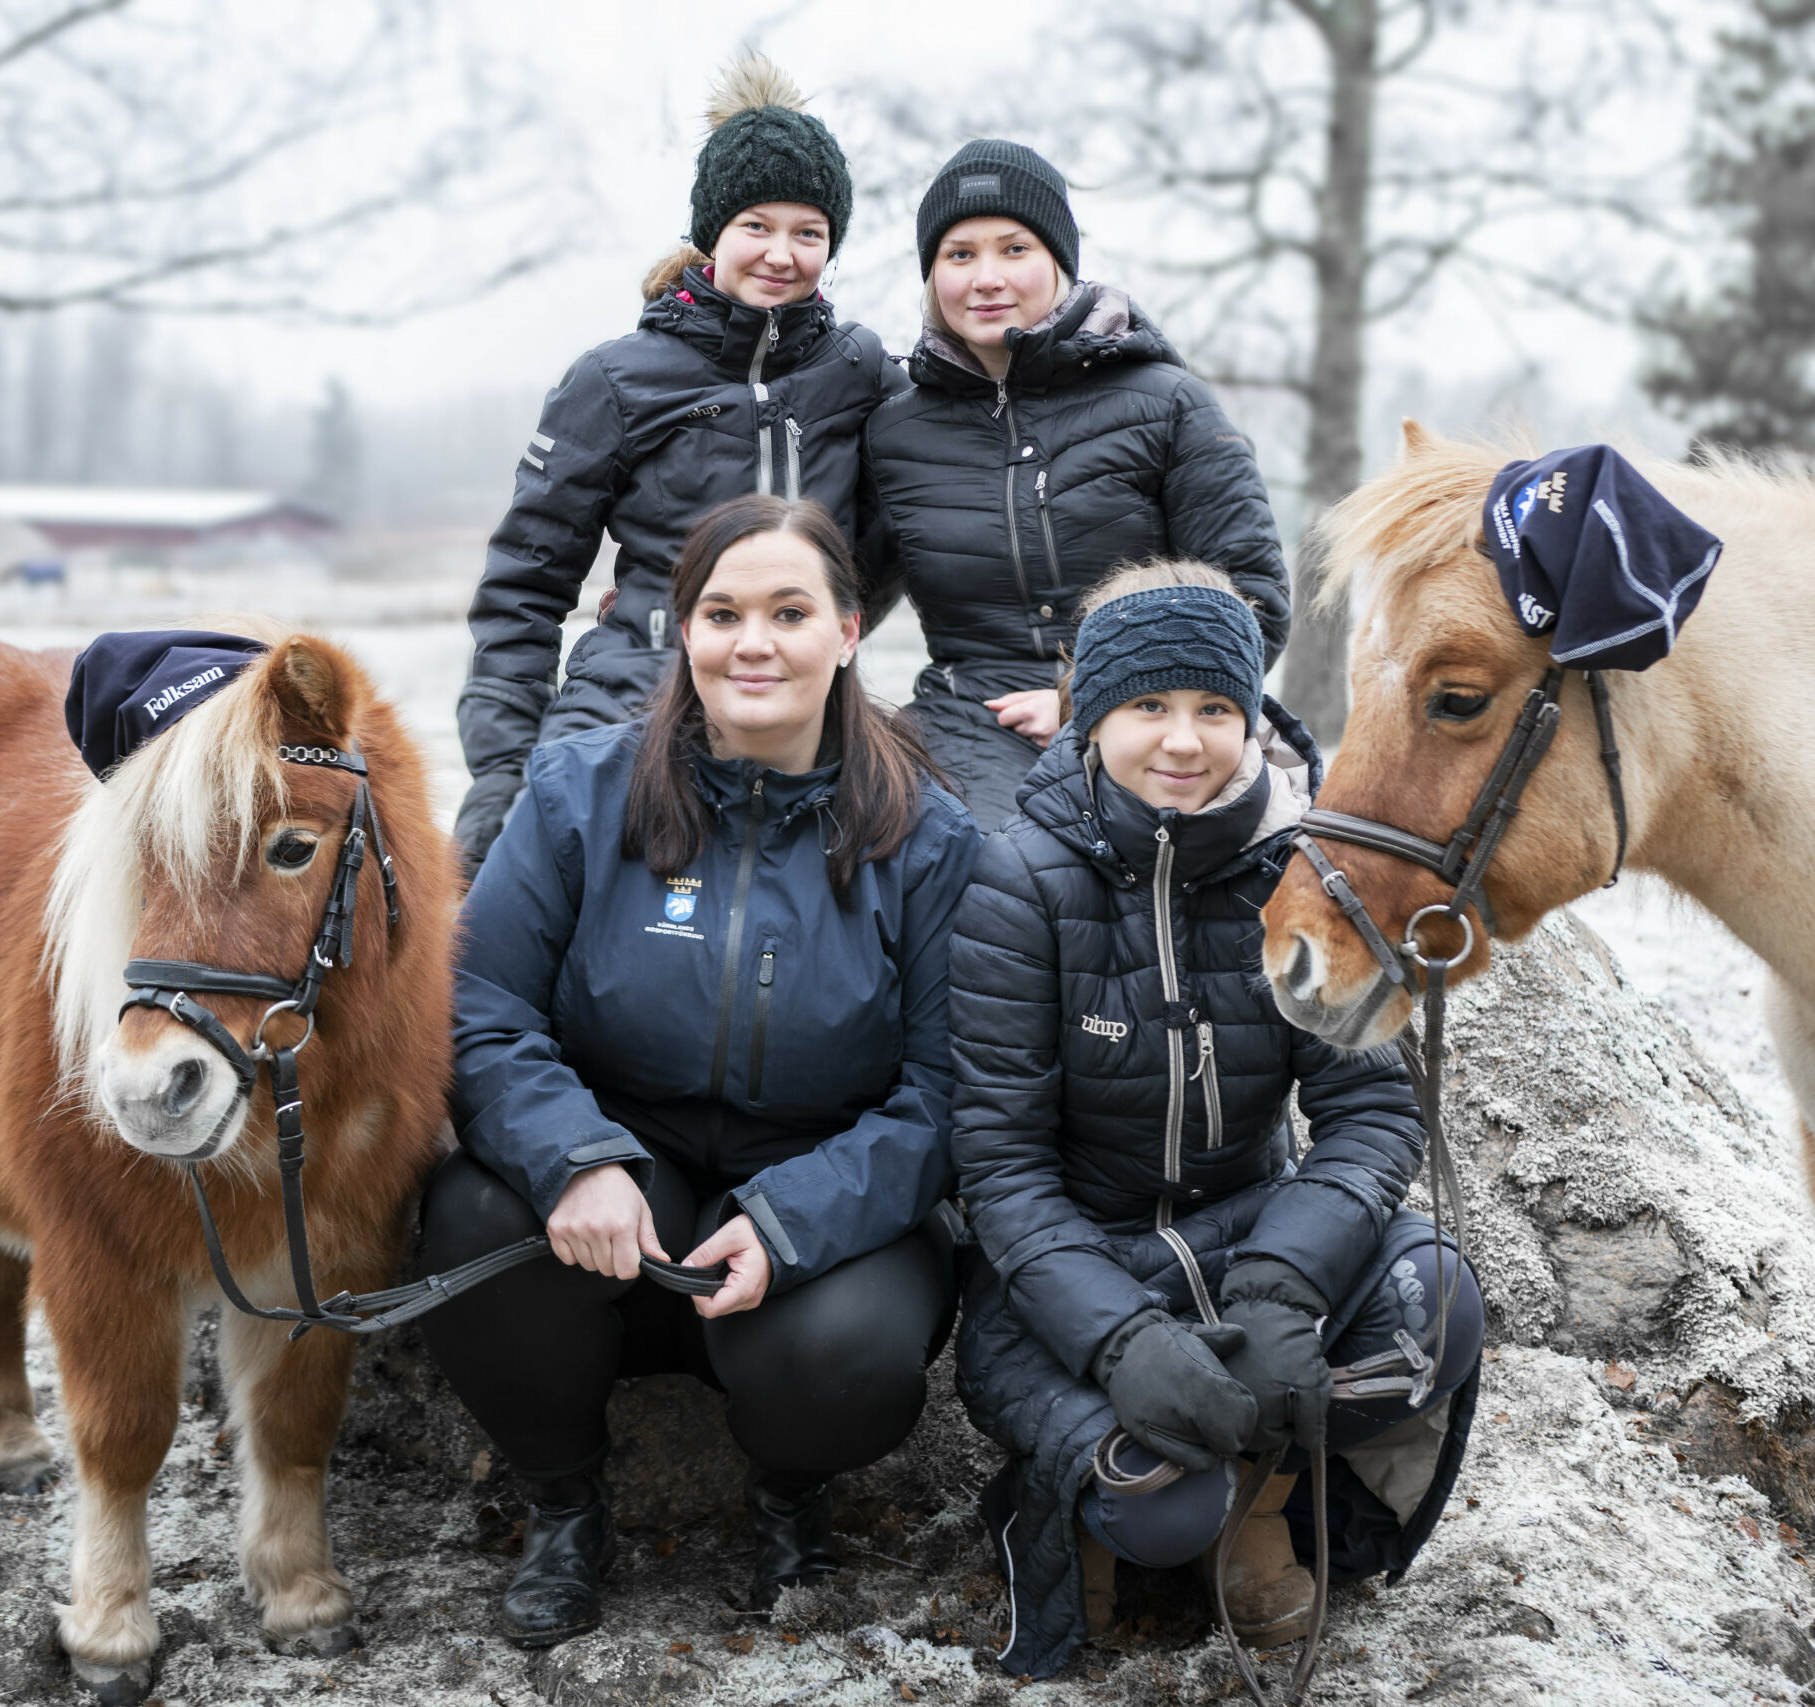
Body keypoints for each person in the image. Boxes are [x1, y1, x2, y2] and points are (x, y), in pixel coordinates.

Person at [418, 495, 978, 1647]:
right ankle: (566, 1504)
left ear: (849, 631)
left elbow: (947, 1094)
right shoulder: (578, 791)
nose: (752, 642)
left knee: (848, 1360)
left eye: (788, 611)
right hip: (624, 1186)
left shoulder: (930, 839)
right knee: (476, 1217)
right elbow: (478, 1009)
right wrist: (574, 1160)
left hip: (826, 1202)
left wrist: (793, 1222)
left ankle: (788, 1495)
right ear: (682, 631)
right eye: (720, 612)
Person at [948, 561, 1484, 1681]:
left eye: (1214, 710)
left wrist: (1287, 1281)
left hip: (1252, 1241)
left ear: (1250, 721)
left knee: (1430, 1308)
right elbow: (997, 1167)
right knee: (1157, 1512)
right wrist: (1120, 1338)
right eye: (1148, 706)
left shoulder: (1305, 873)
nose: (1182, 741)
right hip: (1072, 1274)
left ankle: (1264, 1497)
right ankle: (1106, 1503)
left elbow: (1368, 1107)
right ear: (1092, 716)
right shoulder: (1016, 884)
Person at [454, 57, 906, 867]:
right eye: (756, 226)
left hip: (801, 691)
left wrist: (830, 625)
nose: (781, 254)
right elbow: (525, 582)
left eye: (809, 233)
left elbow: (927, 510)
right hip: (633, 682)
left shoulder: (861, 371)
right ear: (712, 232)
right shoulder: (617, 379)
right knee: (512, 875)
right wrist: (500, 766)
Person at [861, 141, 1291, 831]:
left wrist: (1085, 696)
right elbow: (837, 594)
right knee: (944, 860)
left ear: (1059, 260)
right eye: (959, 254)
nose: (986, 277)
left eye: (1014, 248)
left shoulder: (1166, 403)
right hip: (962, 725)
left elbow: (1254, 602)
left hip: (1149, 720)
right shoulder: (894, 431)